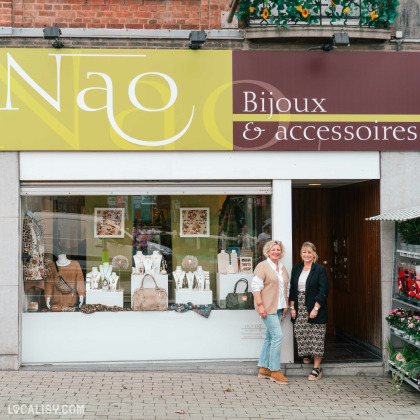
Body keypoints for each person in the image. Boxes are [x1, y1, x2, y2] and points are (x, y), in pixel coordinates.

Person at [289, 241, 329, 381]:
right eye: (304, 252)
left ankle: (317, 368)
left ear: (314, 254)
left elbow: (323, 291)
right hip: (299, 304)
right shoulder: (296, 268)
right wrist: (292, 307)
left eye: (309, 252)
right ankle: (306, 354)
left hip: (314, 305)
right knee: (301, 332)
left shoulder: (319, 270)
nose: (307, 255)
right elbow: (293, 289)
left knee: (316, 336)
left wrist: (316, 308)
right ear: (301, 254)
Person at [251, 240, 290, 385]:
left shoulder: (282, 267)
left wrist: (285, 303)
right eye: (273, 250)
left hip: (279, 307)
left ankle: (263, 369)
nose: (276, 252)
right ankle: (275, 371)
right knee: (278, 336)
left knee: (270, 337)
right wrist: (260, 305)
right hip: (267, 308)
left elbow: (287, 286)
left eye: (278, 250)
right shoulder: (262, 266)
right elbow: (255, 287)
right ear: (268, 252)